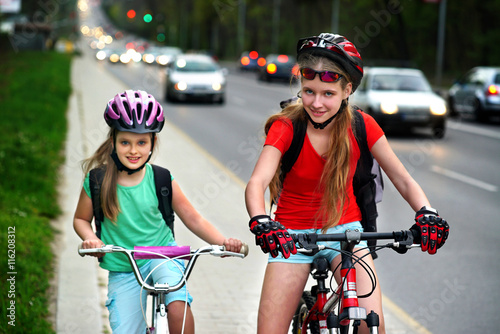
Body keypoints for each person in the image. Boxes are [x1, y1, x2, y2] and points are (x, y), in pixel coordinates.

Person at [245, 33, 449, 334]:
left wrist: (426, 212)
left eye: (328, 93)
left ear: (347, 89)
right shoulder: (287, 126)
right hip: (291, 238)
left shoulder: (362, 125)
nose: (316, 103)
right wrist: (261, 220)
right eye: (309, 91)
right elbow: (257, 182)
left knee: (371, 327)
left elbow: (403, 179)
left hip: (348, 234)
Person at [74, 90, 243, 334]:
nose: (134, 151)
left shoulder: (161, 179)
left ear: (153, 143)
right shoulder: (97, 181)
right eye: (125, 142)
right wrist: (90, 238)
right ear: (113, 142)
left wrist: (223, 243)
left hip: (163, 256)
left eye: (142, 142)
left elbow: (193, 218)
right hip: (123, 266)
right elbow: (81, 219)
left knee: (177, 308)